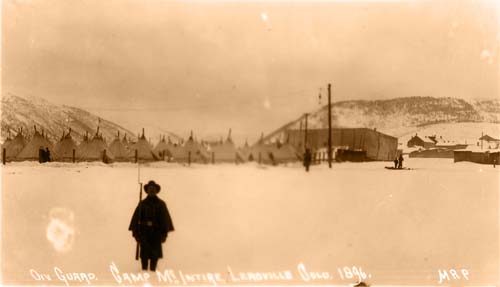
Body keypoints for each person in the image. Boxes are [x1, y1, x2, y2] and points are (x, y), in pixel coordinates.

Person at [129, 180, 174, 271]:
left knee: (154, 256)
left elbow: (165, 220)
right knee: (144, 256)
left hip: (156, 234)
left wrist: (164, 234)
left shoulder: (161, 204)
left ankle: (153, 274)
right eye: (150, 189)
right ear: (147, 191)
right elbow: (135, 219)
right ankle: (144, 273)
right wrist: (136, 233)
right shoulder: (142, 204)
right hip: (144, 233)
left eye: (153, 189)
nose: (152, 191)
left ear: (156, 191)